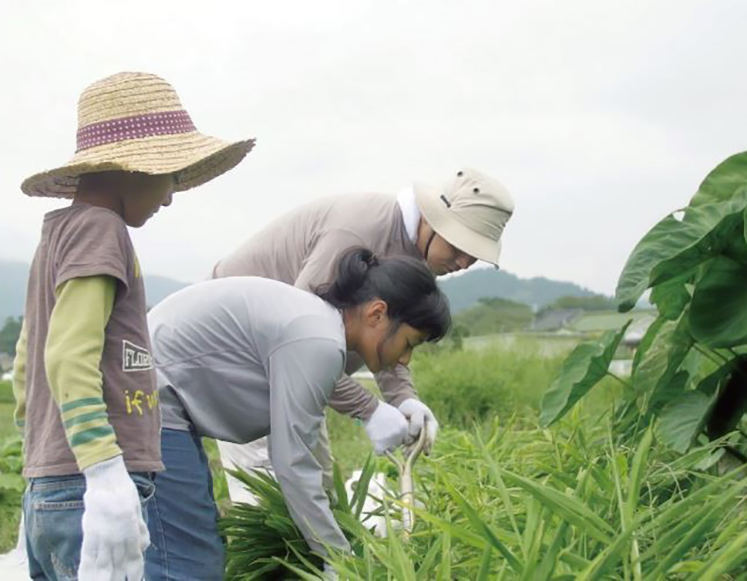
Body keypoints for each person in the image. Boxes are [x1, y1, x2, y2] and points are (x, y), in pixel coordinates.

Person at [12, 71, 254, 581]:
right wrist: (102, 470)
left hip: (53, 483)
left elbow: (26, 361)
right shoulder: (101, 230)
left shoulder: (56, 236)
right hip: (89, 489)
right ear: (134, 169)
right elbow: (66, 354)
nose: (170, 195)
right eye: (170, 176)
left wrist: (38, 454)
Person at [143, 248, 450, 580]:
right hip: (149, 398)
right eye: (409, 343)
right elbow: (292, 461)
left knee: (187, 547)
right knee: (188, 562)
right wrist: (337, 556)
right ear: (377, 314)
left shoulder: (316, 327)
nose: (404, 360)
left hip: (157, 400)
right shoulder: (318, 341)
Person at [212, 167, 514, 501]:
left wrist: (403, 398)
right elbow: (298, 347)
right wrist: (368, 410)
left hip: (289, 369)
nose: (464, 261)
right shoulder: (357, 232)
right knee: (271, 494)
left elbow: (388, 337)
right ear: (431, 218)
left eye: (474, 254)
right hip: (243, 356)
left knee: (319, 488)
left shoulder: (414, 254)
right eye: (459, 246)